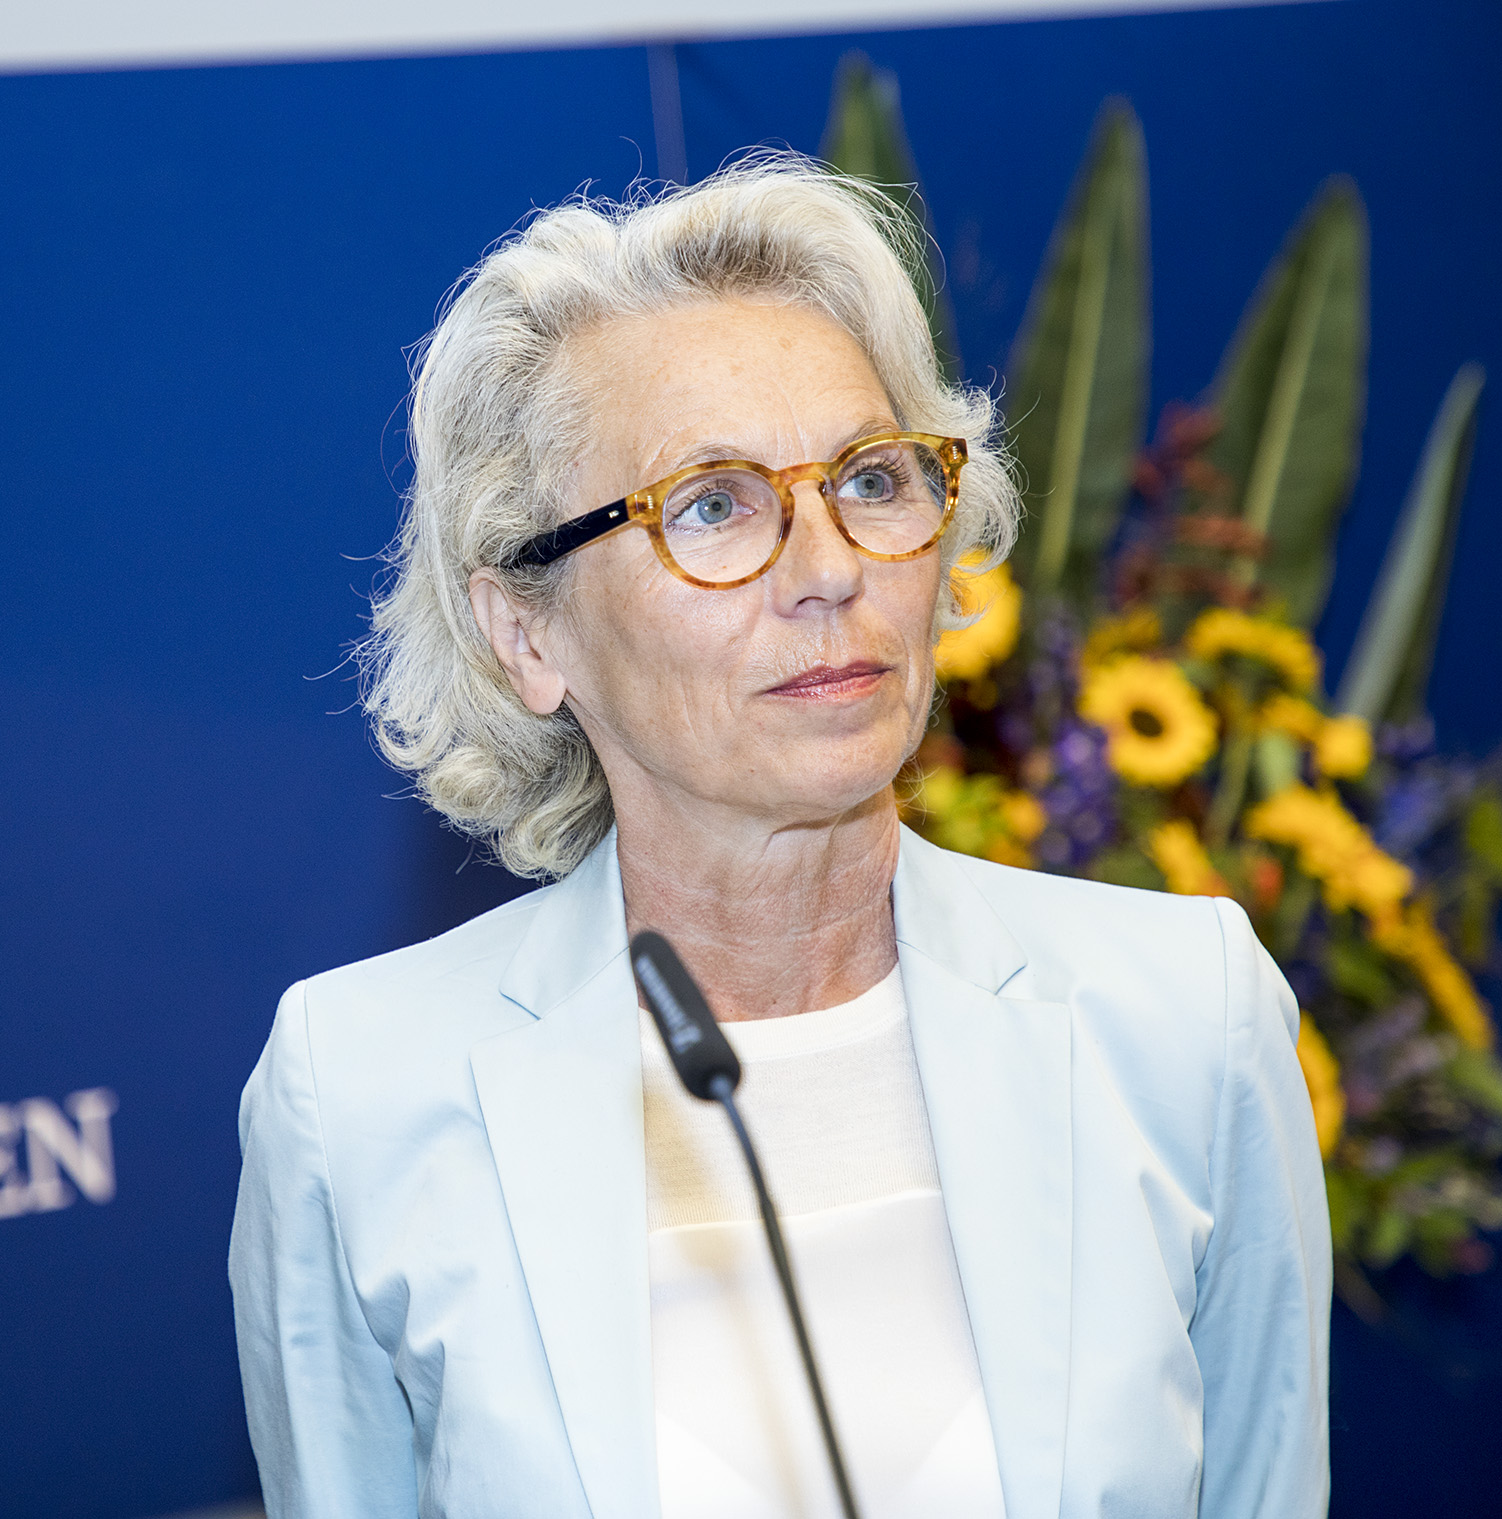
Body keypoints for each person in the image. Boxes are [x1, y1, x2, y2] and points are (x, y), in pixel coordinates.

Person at [229, 157, 1329, 1519]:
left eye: (871, 480)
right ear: (527, 631)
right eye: (710, 504)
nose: (830, 570)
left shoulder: (1182, 1015)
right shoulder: (361, 1095)